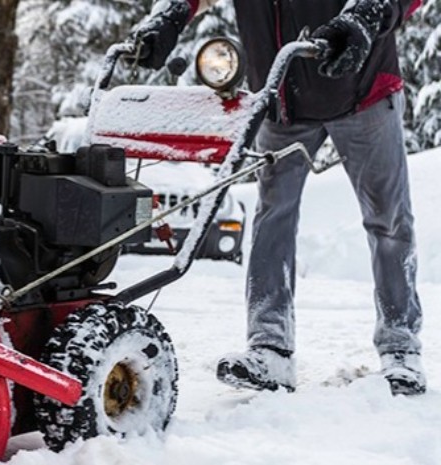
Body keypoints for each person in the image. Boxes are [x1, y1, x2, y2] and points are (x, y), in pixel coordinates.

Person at [133, 0, 426, 396]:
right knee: (273, 219)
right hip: (282, 100)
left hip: (362, 90)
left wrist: (368, 13)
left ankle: (401, 350)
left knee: (388, 220)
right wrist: (170, 17)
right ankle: (269, 347)